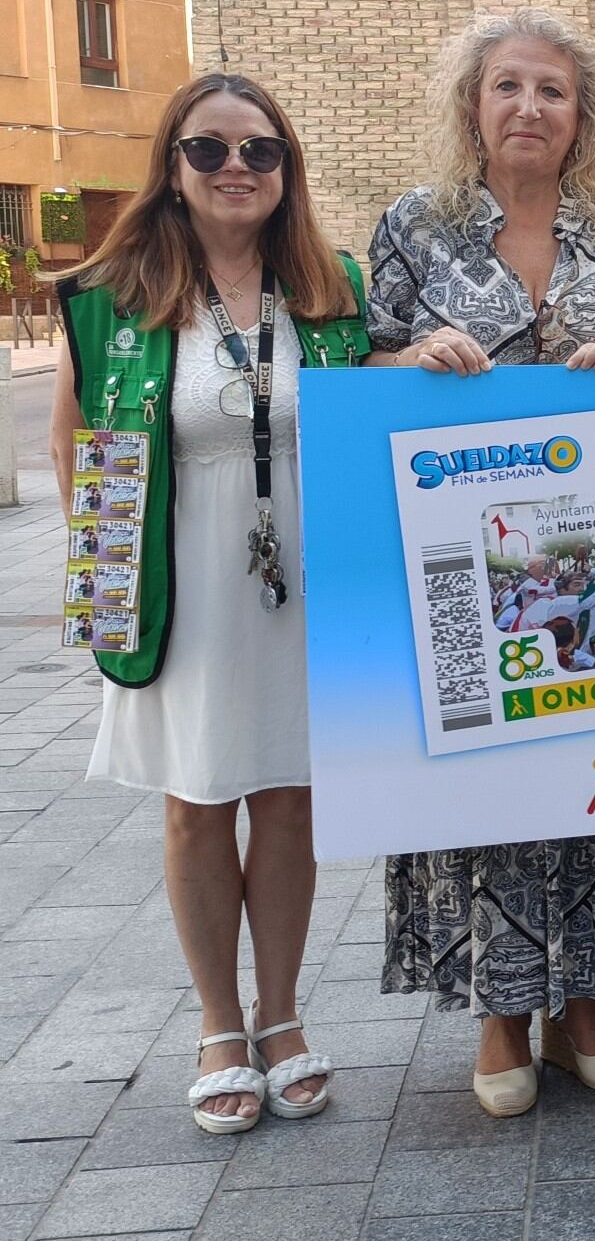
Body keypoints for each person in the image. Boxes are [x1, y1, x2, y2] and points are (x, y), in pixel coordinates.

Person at [367, 6, 595, 1118]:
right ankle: (503, 1011)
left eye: (551, 90)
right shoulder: (414, 230)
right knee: (486, 780)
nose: (529, 108)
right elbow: (364, 366)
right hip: (463, 561)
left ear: (581, 112)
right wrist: (413, 357)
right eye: (508, 87)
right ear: (473, 103)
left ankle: (585, 1003)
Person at [51, 72, 369, 1134]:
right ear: (173, 166)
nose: (237, 169)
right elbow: (78, 447)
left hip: (300, 586)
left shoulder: (331, 287)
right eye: (210, 150)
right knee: (196, 804)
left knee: (288, 797)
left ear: (287, 170)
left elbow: (368, 406)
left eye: (260, 151)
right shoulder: (110, 294)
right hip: (178, 578)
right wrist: (107, 596)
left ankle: (281, 1017)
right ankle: (217, 1024)